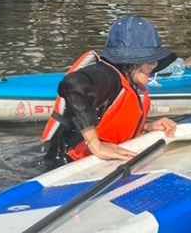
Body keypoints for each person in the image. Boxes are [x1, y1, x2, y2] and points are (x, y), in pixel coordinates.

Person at [42, 16, 179, 164]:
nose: (154, 65)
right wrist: (96, 145)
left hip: (94, 164)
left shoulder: (129, 81)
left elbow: (111, 121)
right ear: (128, 62)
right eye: (148, 59)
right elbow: (71, 84)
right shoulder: (108, 76)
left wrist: (146, 127)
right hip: (64, 166)